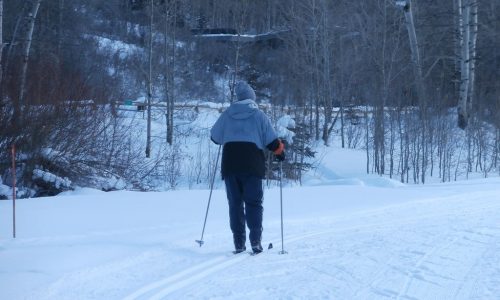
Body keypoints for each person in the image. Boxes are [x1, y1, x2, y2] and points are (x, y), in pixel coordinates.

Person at [211, 81, 285, 254]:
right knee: (254, 203)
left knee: (235, 204)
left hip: (230, 164)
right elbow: (272, 141)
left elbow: (215, 137)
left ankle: (238, 243)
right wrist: (280, 152)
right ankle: (255, 241)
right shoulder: (258, 115)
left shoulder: (227, 114)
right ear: (252, 98)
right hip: (252, 164)